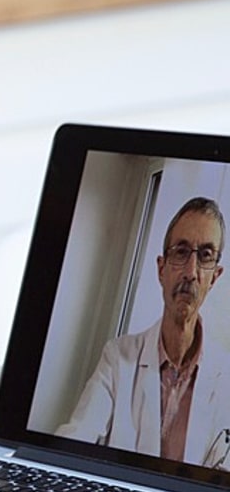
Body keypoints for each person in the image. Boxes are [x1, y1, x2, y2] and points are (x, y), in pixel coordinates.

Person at [57, 196, 230, 467]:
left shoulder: (226, 379)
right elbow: (75, 439)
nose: (191, 272)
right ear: (161, 269)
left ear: (214, 277)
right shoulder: (117, 358)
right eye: (181, 252)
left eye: (205, 255)